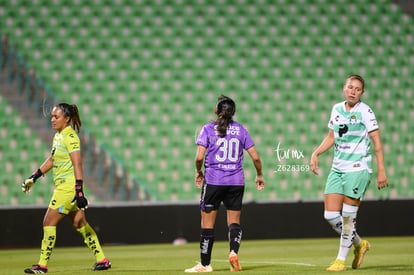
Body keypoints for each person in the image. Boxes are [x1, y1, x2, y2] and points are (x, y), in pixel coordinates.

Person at [310, 75, 388, 272]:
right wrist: (316, 152)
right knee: (329, 215)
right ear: (344, 88)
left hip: (358, 168)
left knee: (347, 217)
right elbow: (331, 137)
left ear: (361, 93)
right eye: (350, 87)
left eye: (358, 89)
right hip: (337, 168)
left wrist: (381, 171)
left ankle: (340, 260)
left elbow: (377, 143)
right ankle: (360, 244)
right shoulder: (336, 109)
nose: (353, 91)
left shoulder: (365, 112)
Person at [22, 103, 111, 273]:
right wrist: (34, 177)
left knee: (48, 222)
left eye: (56, 117)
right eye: (52, 116)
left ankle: (42, 266)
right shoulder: (58, 136)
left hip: (68, 188)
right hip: (65, 187)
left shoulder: (70, 137)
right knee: (79, 223)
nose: (53, 120)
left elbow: (77, 163)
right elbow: (52, 160)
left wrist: (79, 191)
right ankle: (102, 260)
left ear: (67, 118)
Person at [185, 95, 265, 273]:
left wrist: (199, 172)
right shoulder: (241, 130)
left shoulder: (207, 129)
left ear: (216, 111)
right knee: (234, 221)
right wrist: (259, 174)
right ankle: (233, 252)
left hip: (214, 181)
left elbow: (199, 157)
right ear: (233, 112)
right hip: (236, 182)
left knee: (207, 223)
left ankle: (205, 264)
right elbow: (256, 157)